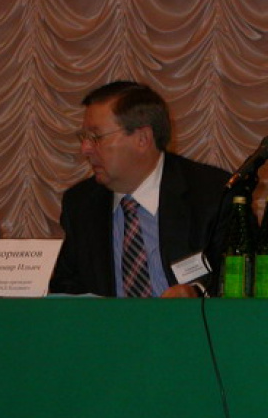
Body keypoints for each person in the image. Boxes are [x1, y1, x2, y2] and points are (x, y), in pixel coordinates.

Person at [49, 81, 231, 297]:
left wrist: (196, 293)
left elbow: (241, 282)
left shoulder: (214, 194)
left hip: (191, 319)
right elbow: (67, 288)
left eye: (96, 138)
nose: (85, 149)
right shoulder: (81, 203)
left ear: (142, 139)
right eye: (84, 138)